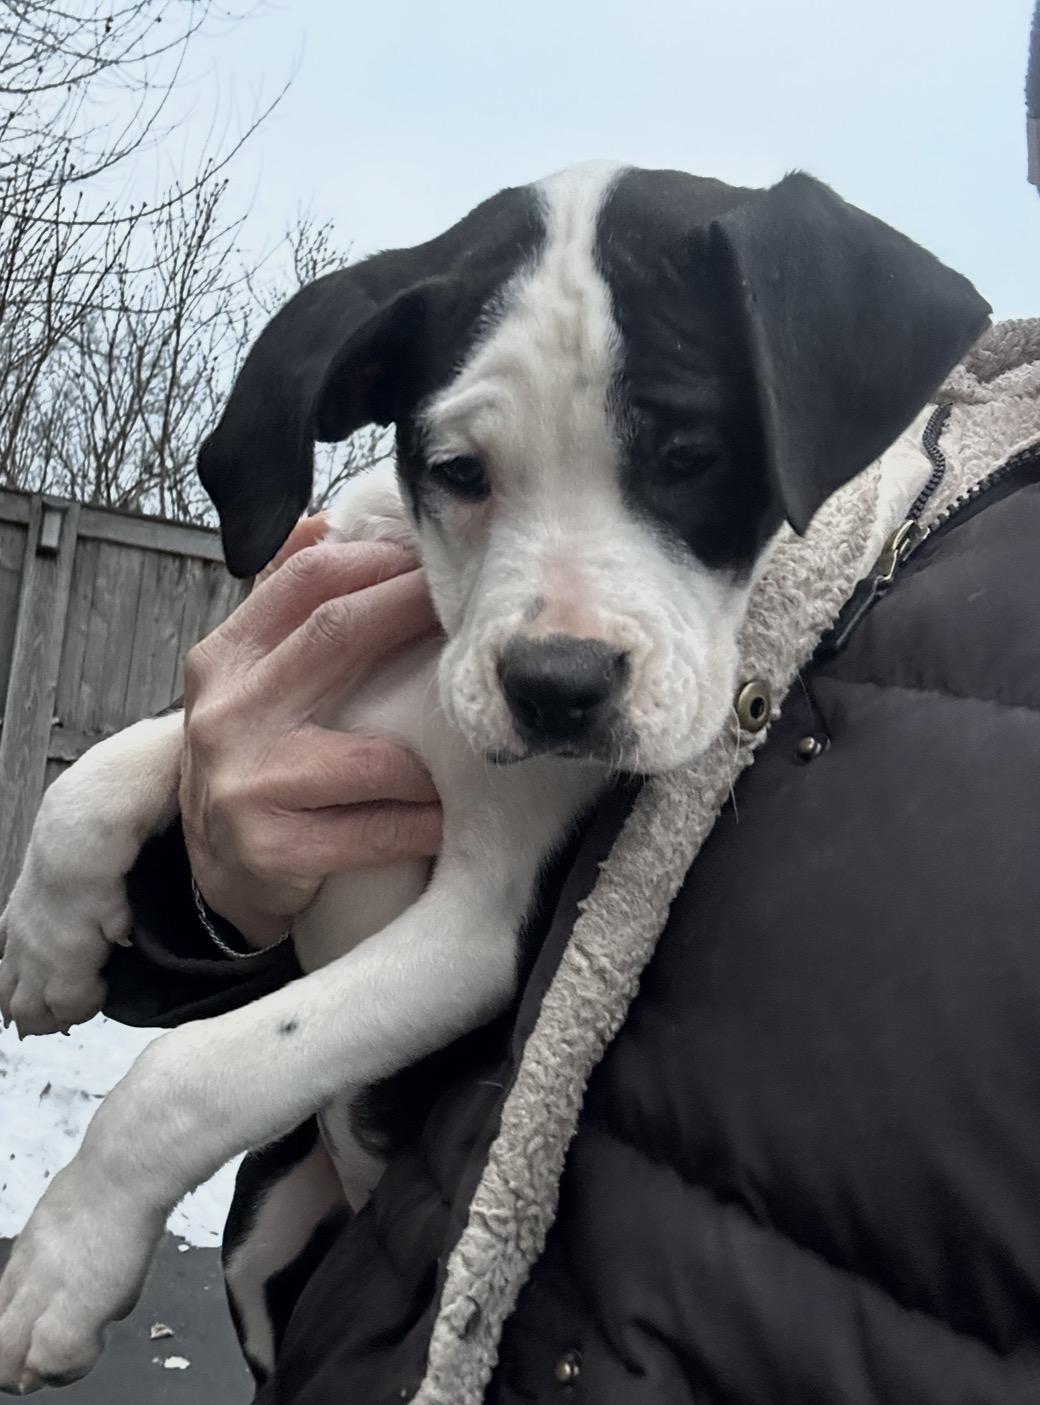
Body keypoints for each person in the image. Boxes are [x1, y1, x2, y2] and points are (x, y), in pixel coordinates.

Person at [97, 22, 1040, 1404]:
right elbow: (319, 872)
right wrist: (202, 886)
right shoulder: (898, 455)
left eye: (684, 459)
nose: (558, 637)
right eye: (470, 474)